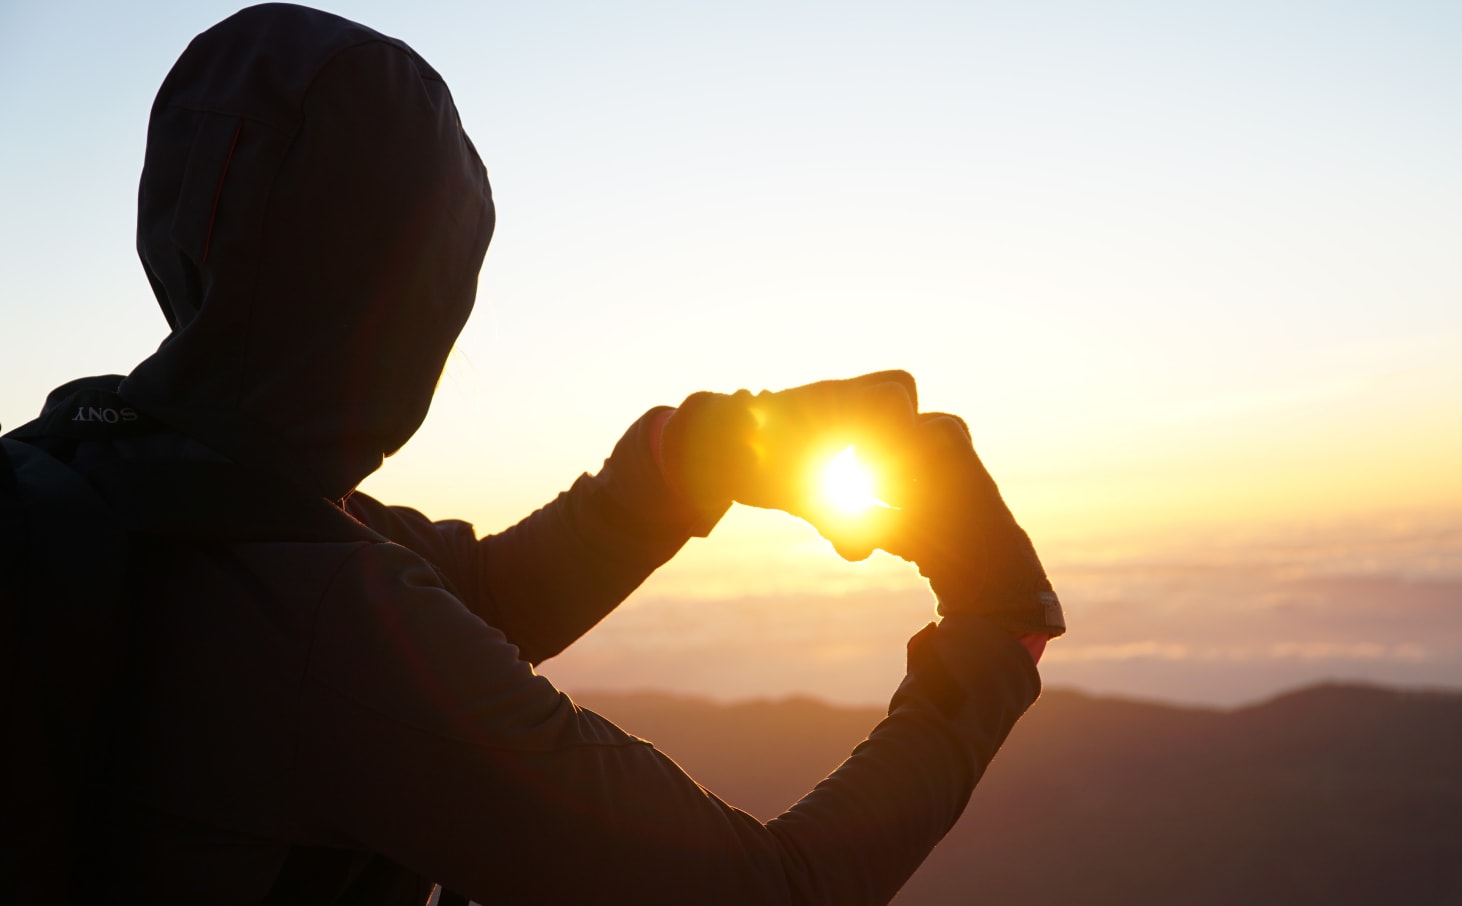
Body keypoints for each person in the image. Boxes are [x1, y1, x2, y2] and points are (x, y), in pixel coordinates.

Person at [2, 4, 1064, 903]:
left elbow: (480, 594)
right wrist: (991, 635)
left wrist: (688, 458)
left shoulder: (95, 474)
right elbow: (772, 885)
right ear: (416, 292)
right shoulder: (317, 617)